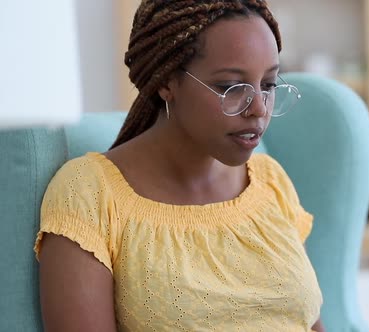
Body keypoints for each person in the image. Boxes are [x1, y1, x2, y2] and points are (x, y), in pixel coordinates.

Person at [34, 0, 325, 331]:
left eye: (269, 85)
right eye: (231, 87)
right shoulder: (88, 196)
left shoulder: (270, 182)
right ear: (167, 81)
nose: (259, 107)